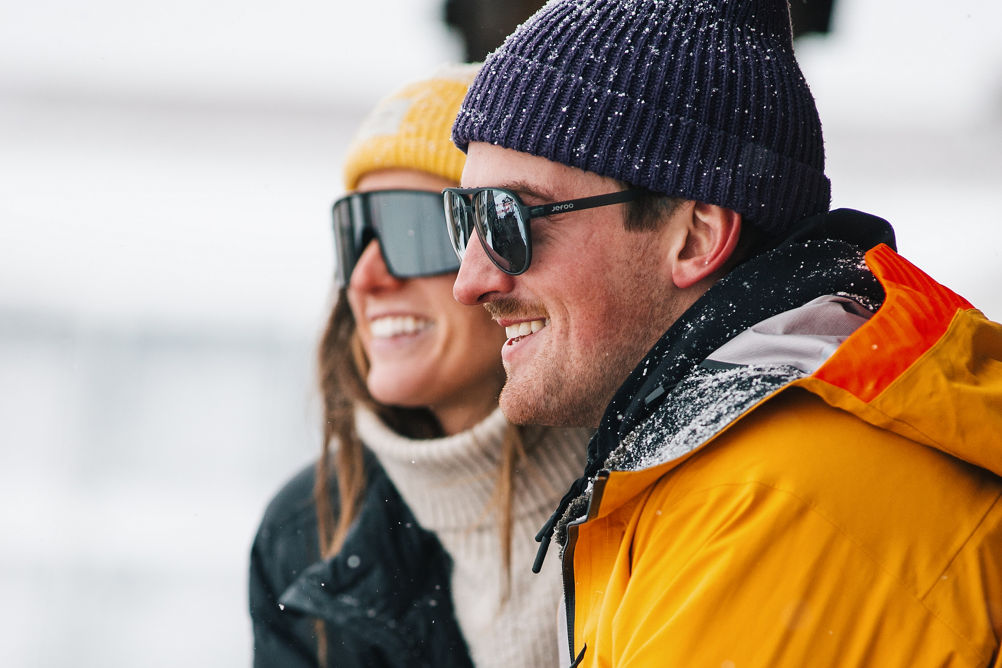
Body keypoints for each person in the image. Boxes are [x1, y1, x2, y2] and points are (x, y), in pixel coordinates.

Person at [442, 1, 1002, 666]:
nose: (469, 279)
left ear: (696, 238)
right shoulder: (692, 478)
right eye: (463, 217)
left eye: (510, 219)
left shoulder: (764, 505)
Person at [248, 64, 589, 668]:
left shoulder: (660, 488)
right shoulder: (309, 534)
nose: (366, 277)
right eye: (356, 234)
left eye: (414, 229)